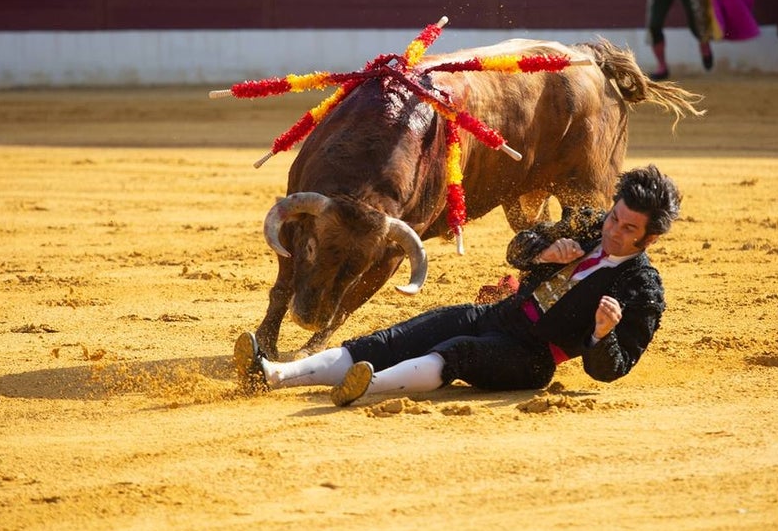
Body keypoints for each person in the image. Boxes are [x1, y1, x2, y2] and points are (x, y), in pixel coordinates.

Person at [234, 164, 682, 407]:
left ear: (651, 239)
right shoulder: (587, 225)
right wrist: (541, 254)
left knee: (458, 352)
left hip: (533, 358)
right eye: (614, 217)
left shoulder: (642, 290)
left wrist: (601, 335)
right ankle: (272, 374)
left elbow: (609, 370)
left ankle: (367, 387)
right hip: (499, 315)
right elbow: (516, 249)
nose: (612, 231)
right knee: (397, 337)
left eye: (628, 230)